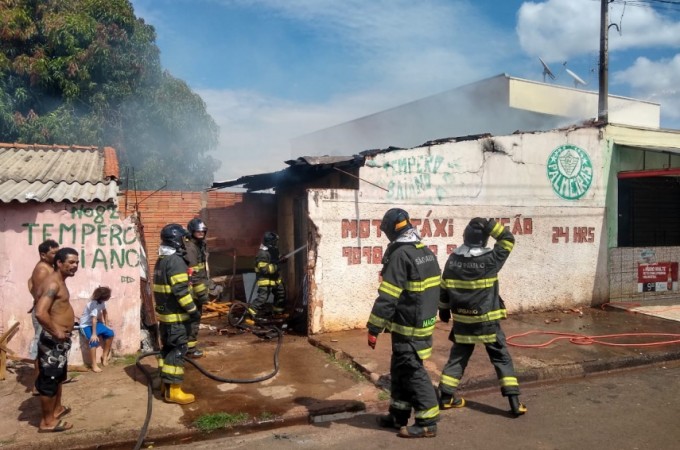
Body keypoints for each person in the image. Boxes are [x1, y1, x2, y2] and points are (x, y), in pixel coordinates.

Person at [437, 217, 527, 416]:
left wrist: (443, 310)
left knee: (458, 358)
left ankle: (445, 397)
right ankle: (514, 403)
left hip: (462, 321)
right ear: (485, 240)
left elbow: (443, 288)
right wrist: (490, 226)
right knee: (501, 358)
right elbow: (507, 239)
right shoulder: (491, 260)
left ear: (465, 236)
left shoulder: (453, 260)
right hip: (487, 323)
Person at [367, 208, 441, 438]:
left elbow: (389, 296)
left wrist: (374, 327)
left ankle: (428, 422)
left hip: (409, 327)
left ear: (391, 230)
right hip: (418, 322)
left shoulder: (401, 255)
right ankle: (397, 415)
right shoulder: (423, 250)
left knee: (412, 371)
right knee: (399, 371)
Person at [33, 247, 79, 433]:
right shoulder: (53, 284)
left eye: (77, 262)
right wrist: (56, 331)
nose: (75, 266)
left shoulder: (60, 280)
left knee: (58, 376)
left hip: (60, 341)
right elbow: (40, 312)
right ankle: (47, 422)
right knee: (49, 379)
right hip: (53, 340)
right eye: (71, 262)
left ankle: (56, 409)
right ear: (59, 263)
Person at [153, 223, 199, 404]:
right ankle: (174, 391)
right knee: (178, 350)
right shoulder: (176, 261)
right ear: (176, 240)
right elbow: (181, 291)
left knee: (167, 350)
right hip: (177, 318)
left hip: (165, 318)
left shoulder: (161, 259)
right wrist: (193, 310)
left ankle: (164, 385)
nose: (185, 242)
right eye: (183, 239)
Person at [27, 239, 60, 393]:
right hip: (43, 313)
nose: (57, 255)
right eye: (53, 252)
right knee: (41, 347)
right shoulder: (42, 270)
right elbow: (41, 296)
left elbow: (29, 283)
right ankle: (37, 385)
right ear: (43, 254)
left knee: (46, 347)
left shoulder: (48, 267)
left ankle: (43, 382)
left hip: (47, 312)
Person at [184, 218, 209, 358]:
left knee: (194, 318)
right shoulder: (190, 247)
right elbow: (193, 273)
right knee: (193, 318)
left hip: (196, 287)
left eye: (203, 231)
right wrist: (203, 294)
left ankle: (188, 347)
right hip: (192, 290)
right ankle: (190, 349)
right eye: (198, 230)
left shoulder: (199, 245)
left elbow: (202, 270)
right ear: (192, 231)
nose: (201, 233)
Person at [79, 286, 114, 373]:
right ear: (103, 296)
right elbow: (93, 319)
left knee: (110, 333)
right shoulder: (93, 304)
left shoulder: (102, 302)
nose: (110, 297)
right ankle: (94, 365)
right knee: (93, 341)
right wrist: (94, 334)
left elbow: (105, 312)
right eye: (108, 296)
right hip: (86, 325)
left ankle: (104, 356)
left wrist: (106, 325)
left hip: (95, 324)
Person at [252, 231, 286, 316]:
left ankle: (277, 312)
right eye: (275, 242)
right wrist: (276, 266)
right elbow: (264, 270)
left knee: (281, 294)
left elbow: (276, 257)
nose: (276, 243)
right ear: (270, 242)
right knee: (262, 298)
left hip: (275, 278)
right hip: (265, 280)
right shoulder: (262, 254)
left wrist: (282, 258)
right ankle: (250, 314)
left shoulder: (273, 249)